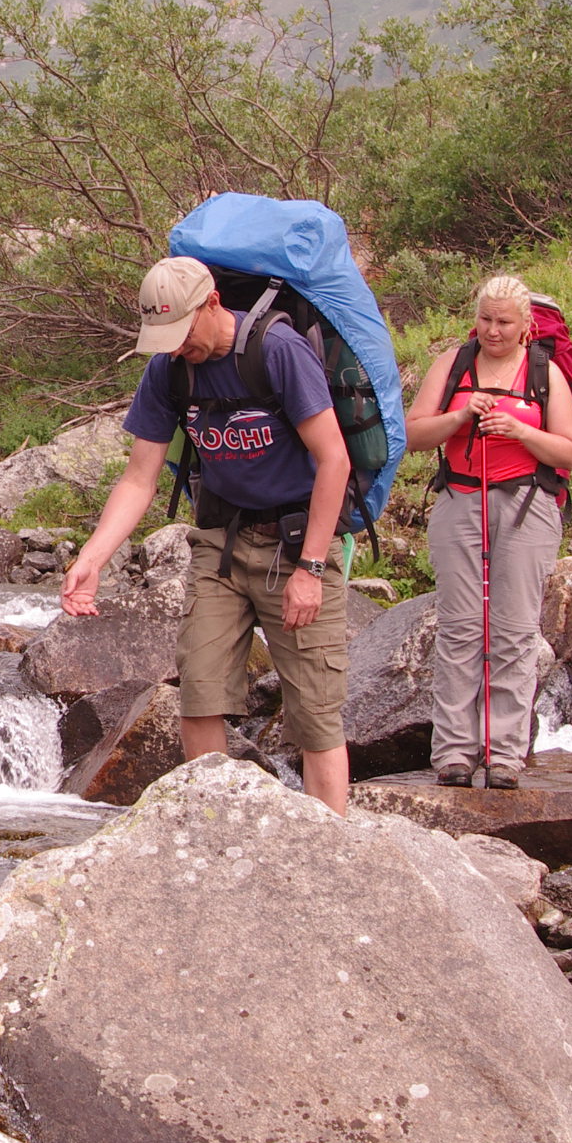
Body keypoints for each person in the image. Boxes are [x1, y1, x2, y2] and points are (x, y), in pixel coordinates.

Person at [61, 256, 359, 816]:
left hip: (297, 545)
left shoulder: (278, 350)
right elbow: (138, 477)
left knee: (315, 715)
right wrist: (93, 558)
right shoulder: (170, 371)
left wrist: (312, 569)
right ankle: (214, 830)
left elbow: (334, 460)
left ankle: (332, 844)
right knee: (200, 695)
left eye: (182, 332)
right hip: (220, 542)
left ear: (213, 302)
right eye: (164, 338)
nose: (175, 347)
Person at [405, 274, 572, 786]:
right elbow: (415, 433)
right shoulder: (455, 362)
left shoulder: (545, 372)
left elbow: (569, 451)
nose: (493, 330)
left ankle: (504, 753)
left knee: (513, 630)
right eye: (486, 319)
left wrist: (521, 430)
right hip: (460, 499)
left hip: (528, 504)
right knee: (461, 628)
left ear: (526, 325)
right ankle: (455, 753)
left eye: (505, 321)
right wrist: (461, 416)